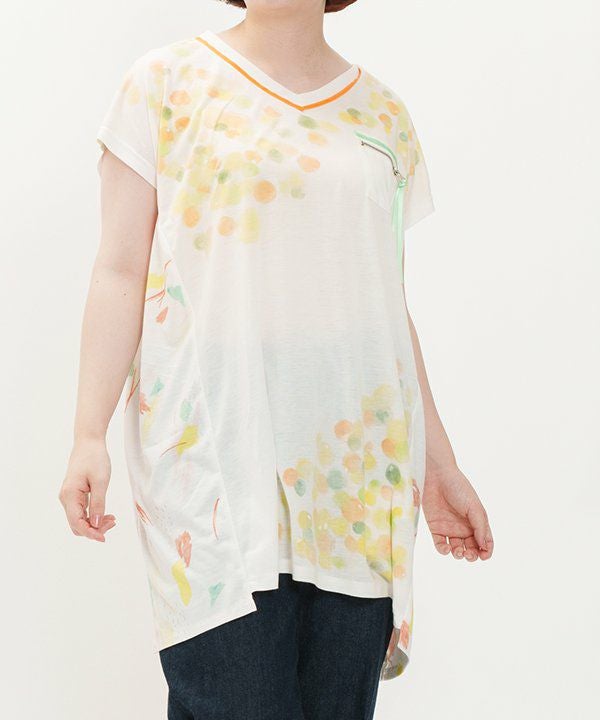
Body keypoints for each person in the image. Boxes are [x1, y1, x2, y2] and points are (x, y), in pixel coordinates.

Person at [58, 1, 494, 718]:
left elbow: (385, 307)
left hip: (358, 484)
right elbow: (118, 270)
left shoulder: (384, 115)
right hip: (216, 472)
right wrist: (87, 433)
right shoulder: (165, 84)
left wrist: (439, 468)